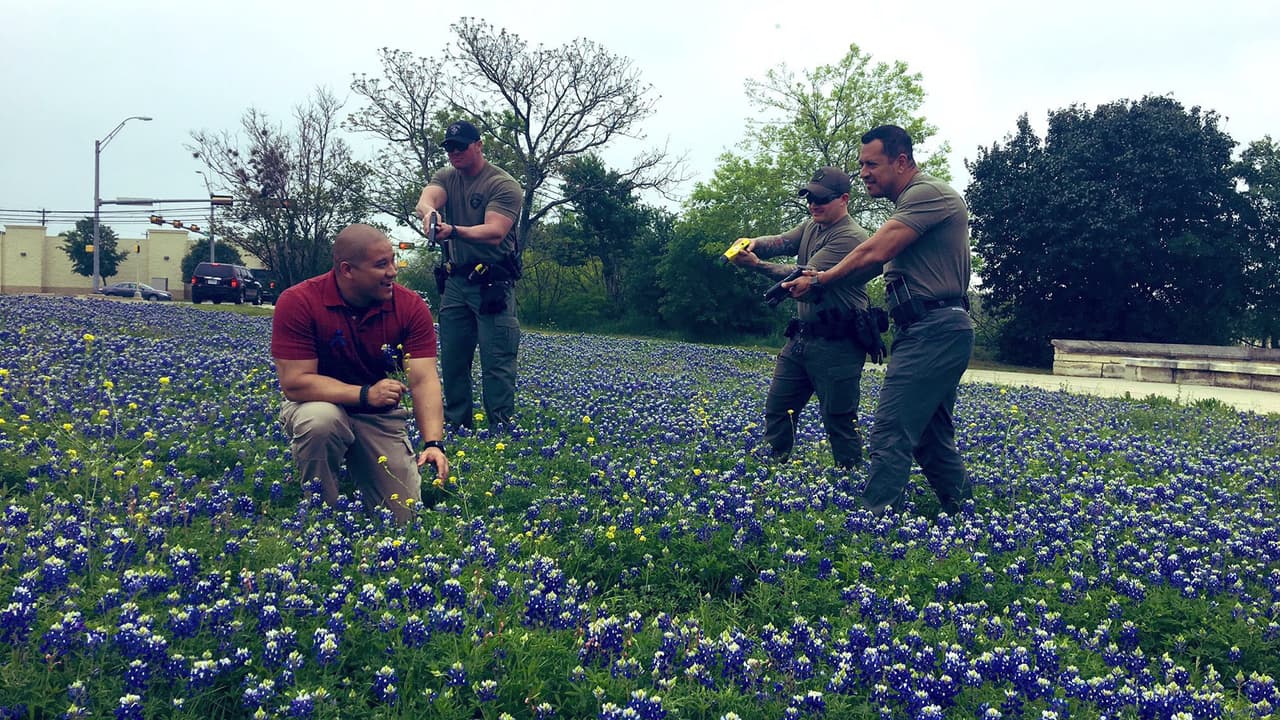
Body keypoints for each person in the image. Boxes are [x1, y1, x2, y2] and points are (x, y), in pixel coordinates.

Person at [786, 125, 974, 515]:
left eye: (872, 163)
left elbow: (874, 252)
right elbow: (866, 265)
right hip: (924, 327)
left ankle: (872, 519)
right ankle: (964, 512)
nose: (864, 172)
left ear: (901, 161)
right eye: (860, 165)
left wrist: (821, 278)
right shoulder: (913, 204)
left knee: (891, 428)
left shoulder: (927, 194)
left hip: (934, 327)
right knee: (930, 436)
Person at [271, 223, 450, 523]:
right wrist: (366, 394)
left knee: (402, 517)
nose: (393, 271)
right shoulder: (299, 301)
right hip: (320, 403)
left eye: (393, 261)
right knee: (321, 422)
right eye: (381, 265)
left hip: (378, 416)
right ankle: (322, 514)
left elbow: (423, 379)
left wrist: (433, 442)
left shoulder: (410, 306)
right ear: (347, 270)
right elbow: (295, 383)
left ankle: (364, 470)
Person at [730, 167, 879, 468]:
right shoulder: (812, 225)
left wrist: (756, 265)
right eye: (810, 197)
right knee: (778, 408)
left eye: (822, 199)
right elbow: (784, 241)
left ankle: (849, 478)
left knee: (838, 419)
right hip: (802, 337)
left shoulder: (851, 237)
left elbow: (803, 275)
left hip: (839, 343)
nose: (814, 204)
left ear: (844, 199)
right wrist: (755, 243)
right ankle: (773, 469)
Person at [415, 120, 523, 431]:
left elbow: (495, 231)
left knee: (497, 361)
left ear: (479, 145)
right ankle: (456, 425)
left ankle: (500, 427)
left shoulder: (503, 184)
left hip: (492, 283)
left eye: (461, 145)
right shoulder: (447, 177)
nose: (454, 152)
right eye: (449, 147)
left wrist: (452, 231)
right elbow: (428, 198)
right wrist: (430, 214)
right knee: (452, 360)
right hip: (455, 282)